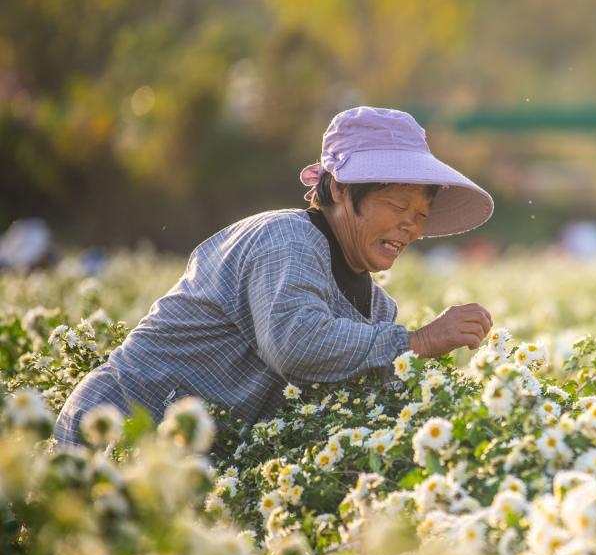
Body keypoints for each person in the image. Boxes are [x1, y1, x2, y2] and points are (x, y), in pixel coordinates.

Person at [55, 106, 495, 446]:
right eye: (399, 207)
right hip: (115, 429)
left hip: (183, 462)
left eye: (420, 215)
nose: (412, 227)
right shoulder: (285, 239)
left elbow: (355, 397)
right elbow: (296, 341)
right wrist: (417, 342)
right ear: (340, 189)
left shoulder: (378, 308)